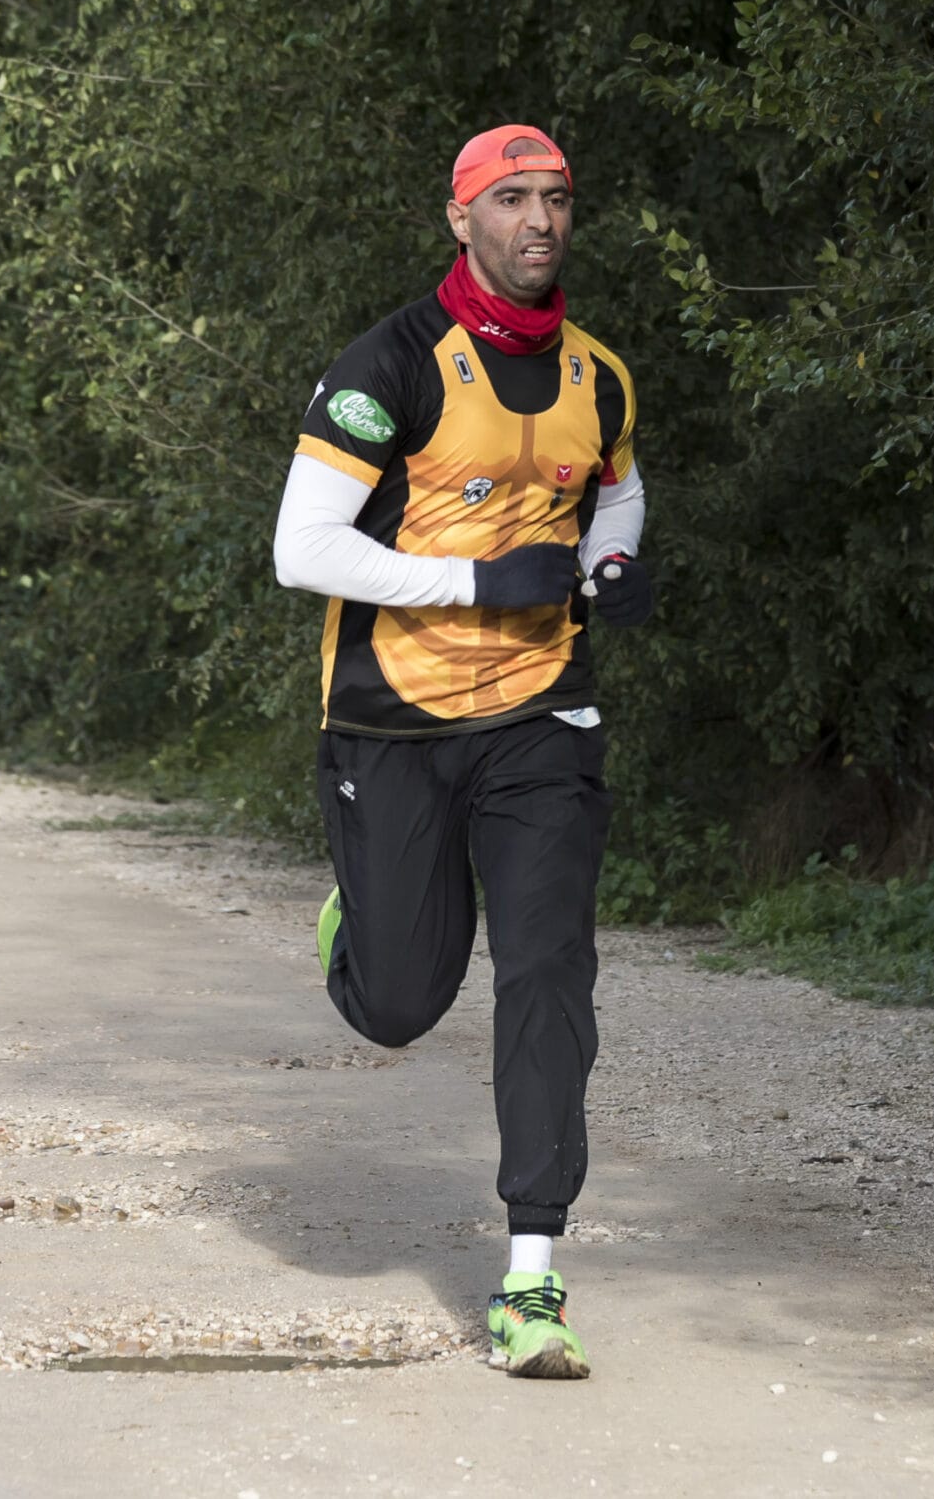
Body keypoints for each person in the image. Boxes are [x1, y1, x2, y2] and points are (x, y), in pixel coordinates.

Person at [270, 125, 653, 1381]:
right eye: (511, 199)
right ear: (462, 218)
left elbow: (616, 488)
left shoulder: (598, 375)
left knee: (548, 972)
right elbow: (302, 549)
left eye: (556, 198)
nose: (539, 220)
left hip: (542, 715)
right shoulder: (388, 365)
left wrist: (609, 561)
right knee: (397, 1005)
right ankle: (362, 923)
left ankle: (531, 1278)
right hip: (392, 718)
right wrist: (478, 578)